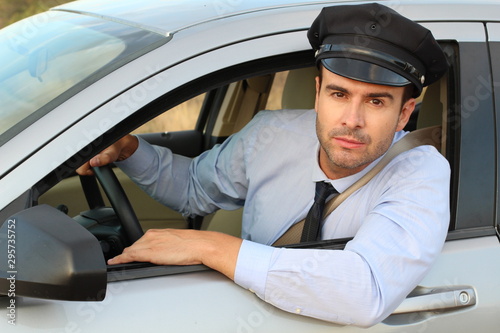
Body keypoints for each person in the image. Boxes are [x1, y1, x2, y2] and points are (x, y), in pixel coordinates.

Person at [77, 3, 450, 327]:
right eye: (339, 94)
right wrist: (128, 149)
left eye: (376, 102)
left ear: (403, 114)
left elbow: (366, 290)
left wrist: (210, 247)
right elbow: (193, 188)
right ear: (317, 92)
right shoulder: (270, 135)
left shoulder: (419, 173)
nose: (352, 119)